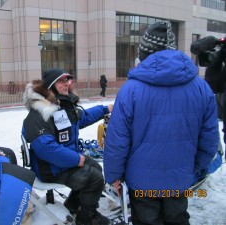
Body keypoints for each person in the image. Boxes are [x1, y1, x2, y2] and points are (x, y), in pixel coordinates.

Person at [103, 21, 219, 225]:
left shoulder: (130, 90)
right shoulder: (201, 88)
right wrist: (197, 168)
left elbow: (117, 139)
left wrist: (113, 174)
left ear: (144, 54)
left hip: (142, 182)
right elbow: (209, 137)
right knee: (178, 219)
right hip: (179, 178)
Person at [22, 68, 113, 225]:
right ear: (51, 85)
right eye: (61, 81)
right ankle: (87, 219)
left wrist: (105, 109)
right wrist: (76, 159)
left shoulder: (61, 106)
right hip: (49, 168)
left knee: (95, 168)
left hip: (61, 162)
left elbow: (82, 118)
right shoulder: (39, 113)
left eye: (67, 80)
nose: (67, 84)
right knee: (94, 178)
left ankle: (73, 206)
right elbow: (45, 148)